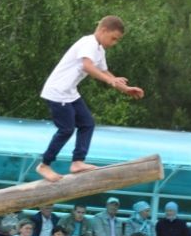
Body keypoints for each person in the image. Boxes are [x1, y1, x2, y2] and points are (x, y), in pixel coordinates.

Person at [35, 15, 144, 182]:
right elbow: (88, 66)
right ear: (103, 30)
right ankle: (44, 165)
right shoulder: (88, 43)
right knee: (66, 129)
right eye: (113, 38)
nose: (113, 43)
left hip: (70, 92)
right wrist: (109, 80)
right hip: (57, 92)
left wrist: (126, 88)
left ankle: (78, 162)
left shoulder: (99, 49)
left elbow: (105, 72)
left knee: (87, 123)